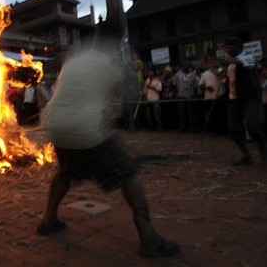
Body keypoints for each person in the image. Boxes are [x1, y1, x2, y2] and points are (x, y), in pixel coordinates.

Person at [36, 23, 180, 259]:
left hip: (54, 126)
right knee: (128, 173)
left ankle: (48, 220)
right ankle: (149, 238)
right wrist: (108, 124)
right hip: (84, 129)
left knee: (65, 172)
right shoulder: (114, 67)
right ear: (116, 43)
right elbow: (123, 110)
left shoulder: (74, 59)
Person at [223, 37, 267, 165]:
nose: (227, 50)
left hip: (250, 96)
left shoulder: (248, 57)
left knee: (252, 125)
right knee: (233, 128)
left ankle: (263, 152)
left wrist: (227, 61)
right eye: (225, 48)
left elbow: (241, 63)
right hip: (234, 98)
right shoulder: (230, 63)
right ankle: (246, 155)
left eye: (229, 47)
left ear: (238, 47)